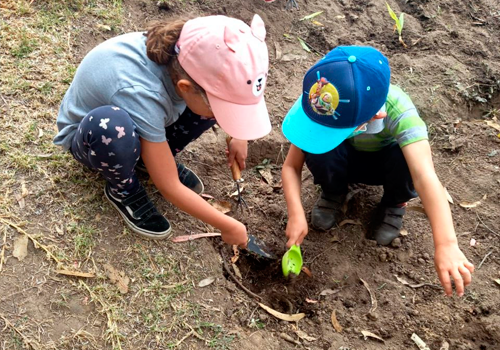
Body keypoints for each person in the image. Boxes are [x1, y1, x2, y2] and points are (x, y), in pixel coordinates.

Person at [54, 15, 271, 248]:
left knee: (208, 110)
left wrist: (238, 134)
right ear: (185, 88)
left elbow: (236, 91)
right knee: (112, 127)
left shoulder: (187, 56)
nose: (221, 117)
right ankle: (124, 188)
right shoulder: (141, 93)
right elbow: (168, 185)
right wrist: (229, 226)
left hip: (147, 117)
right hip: (95, 138)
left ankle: (147, 161)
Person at [281, 46, 474, 296]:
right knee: (318, 149)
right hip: (343, 160)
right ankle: (333, 192)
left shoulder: (399, 111)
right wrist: (296, 214)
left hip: (385, 166)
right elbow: (291, 165)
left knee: (408, 159)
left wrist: (446, 243)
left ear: (376, 115)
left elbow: (425, 177)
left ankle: (395, 203)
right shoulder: (320, 101)